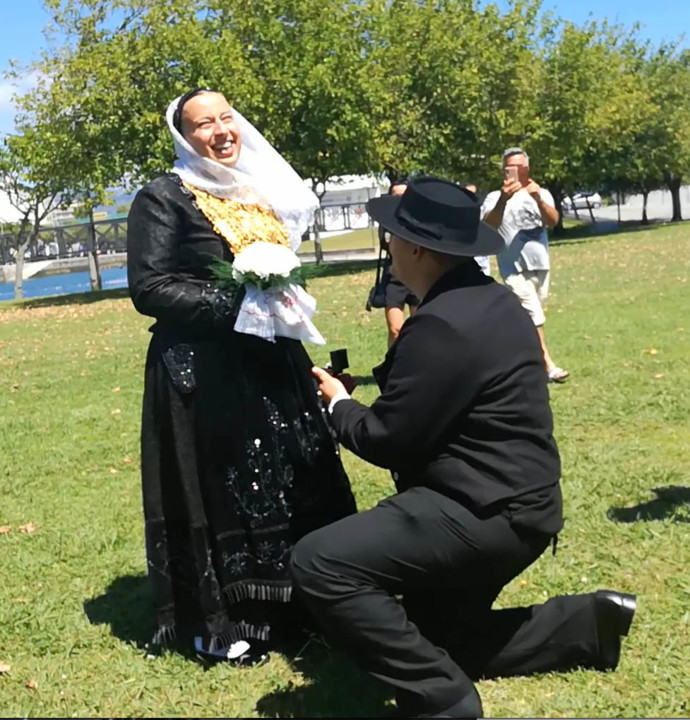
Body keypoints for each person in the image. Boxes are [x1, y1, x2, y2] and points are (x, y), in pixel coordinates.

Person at [290, 177, 636, 718]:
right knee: (442, 640)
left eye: (392, 241)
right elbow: (443, 391)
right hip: (526, 504)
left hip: (482, 511)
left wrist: (337, 405)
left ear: (418, 249)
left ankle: (442, 700)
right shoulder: (493, 301)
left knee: (319, 562)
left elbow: (387, 441)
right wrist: (370, 391)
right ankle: (588, 624)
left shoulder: (441, 325)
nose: (390, 252)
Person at [126, 88, 356, 664]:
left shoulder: (257, 192)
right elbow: (149, 288)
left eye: (227, 118)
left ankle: (306, 603)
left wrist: (277, 300)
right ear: (185, 136)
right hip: (206, 373)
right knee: (229, 487)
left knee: (291, 476)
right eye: (204, 124)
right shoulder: (164, 197)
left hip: (274, 364)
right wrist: (239, 296)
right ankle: (228, 620)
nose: (221, 131)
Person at [481, 148, 568, 383]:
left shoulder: (541, 192)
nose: (516, 172)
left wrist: (538, 197)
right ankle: (548, 366)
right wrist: (503, 199)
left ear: (527, 168)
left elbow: (553, 221)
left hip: (540, 264)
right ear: (504, 170)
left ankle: (508, 361)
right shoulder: (494, 197)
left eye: (520, 167)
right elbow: (489, 225)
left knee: (526, 320)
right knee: (534, 314)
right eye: (511, 167)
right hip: (512, 269)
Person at [378, 179, 421, 347]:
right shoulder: (386, 220)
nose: (400, 199)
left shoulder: (420, 220)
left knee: (420, 328)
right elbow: (385, 243)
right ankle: (391, 368)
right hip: (395, 275)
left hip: (418, 274)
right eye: (396, 195)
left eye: (404, 195)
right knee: (395, 329)